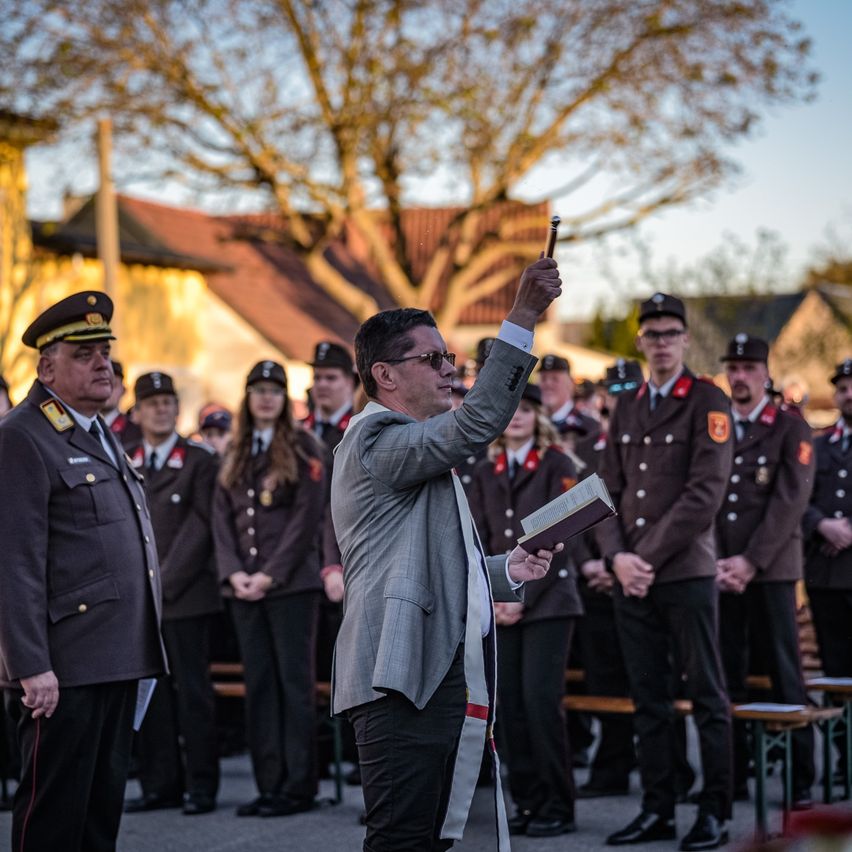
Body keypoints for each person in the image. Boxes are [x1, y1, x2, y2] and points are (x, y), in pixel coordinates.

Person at [330, 256, 564, 852]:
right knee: (402, 839)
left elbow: (428, 565)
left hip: (429, 670)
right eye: (430, 359)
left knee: (430, 838)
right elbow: (476, 422)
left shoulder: (411, 448)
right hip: (396, 675)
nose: (446, 369)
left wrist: (506, 570)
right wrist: (521, 318)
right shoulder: (376, 437)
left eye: (447, 357)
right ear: (384, 375)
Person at [0, 291, 165, 852]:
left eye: (106, 353)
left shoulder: (96, 431)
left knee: (99, 815)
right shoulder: (22, 437)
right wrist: (30, 664)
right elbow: (14, 561)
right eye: (85, 353)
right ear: (47, 367)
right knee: (53, 816)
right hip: (64, 665)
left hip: (116, 654)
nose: (104, 365)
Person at [597, 292, 733, 851]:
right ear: (640, 341)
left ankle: (715, 812)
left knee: (706, 696)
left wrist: (641, 558)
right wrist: (616, 558)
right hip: (633, 576)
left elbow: (704, 495)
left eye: (670, 332)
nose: (660, 342)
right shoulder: (627, 404)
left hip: (684, 574)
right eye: (651, 333)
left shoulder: (707, 399)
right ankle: (658, 808)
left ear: (684, 338)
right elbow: (604, 489)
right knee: (648, 700)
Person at [212, 360, 326, 818]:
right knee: (259, 685)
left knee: (293, 685)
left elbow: (306, 521)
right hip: (243, 588)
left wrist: (269, 575)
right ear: (247, 397)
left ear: (285, 399)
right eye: (257, 389)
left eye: (274, 391)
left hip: (290, 587)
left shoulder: (304, 447)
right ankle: (268, 783)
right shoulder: (236, 450)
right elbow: (221, 517)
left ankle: (299, 786)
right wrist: (233, 572)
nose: (265, 398)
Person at [468, 381, 582, 838]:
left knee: (540, 704)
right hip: (501, 603)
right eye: (510, 408)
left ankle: (558, 803)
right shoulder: (484, 468)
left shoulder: (557, 465)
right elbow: (477, 537)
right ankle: (528, 799)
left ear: (539, 417)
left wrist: (518, 597)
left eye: (527, 408)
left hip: (550, 603)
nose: (516, 416)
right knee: (508, 708)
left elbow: (566, 538)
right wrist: (498, 596)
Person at [715, 334, 815, 808]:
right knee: (728, 673)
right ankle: (732, 776)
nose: (739, 376)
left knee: (783, 671)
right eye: (732, 368)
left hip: (770, 569)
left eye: (748, 368)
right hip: (720, 570)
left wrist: (750, 561)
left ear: (765, 373)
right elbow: (710, 496)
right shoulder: (717, 427)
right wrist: (718, 560)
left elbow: (789, 503)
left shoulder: (789, 427)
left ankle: (801, 780)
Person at [123, 372, 222, 816]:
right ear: (138, 411)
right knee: (152, 695)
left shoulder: (200, 459)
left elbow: (202, 527)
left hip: (186, 598)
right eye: (152, 402)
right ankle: (159, 783)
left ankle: (201, 785)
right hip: (141, 603)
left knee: (193, 693)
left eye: (168, 401)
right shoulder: (127, 459)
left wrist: (162, 580)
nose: (161, 409)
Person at [572, 359, 643, 799]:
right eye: (611, 395)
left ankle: (664, 769)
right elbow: (573, 514)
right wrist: (588, 564)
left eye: (625, 393)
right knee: (604, 681)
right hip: (597, 582)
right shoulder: (589, 449)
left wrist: (621, 562)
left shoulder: (652, 444)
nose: (616, 403)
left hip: (638, 575)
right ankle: (612, 765)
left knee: (650, 679)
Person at [803, 358, 852, 785]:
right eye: (843, 387)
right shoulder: (820, 446)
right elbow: (799, 498)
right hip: (827, 575)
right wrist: (822, 523)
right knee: (836, 673)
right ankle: (843, 760)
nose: (849, 393)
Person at [539, 354, 600, 438]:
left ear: (570, 384)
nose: (548, 384)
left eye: (555, 379)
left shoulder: (588, 426)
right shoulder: (530, 421)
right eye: (543, 378)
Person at [101, 359, 141, 448]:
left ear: (123, 390)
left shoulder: (138, 432)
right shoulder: (80, 427)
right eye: (102, 384)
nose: (107, 391)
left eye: (114, 385)